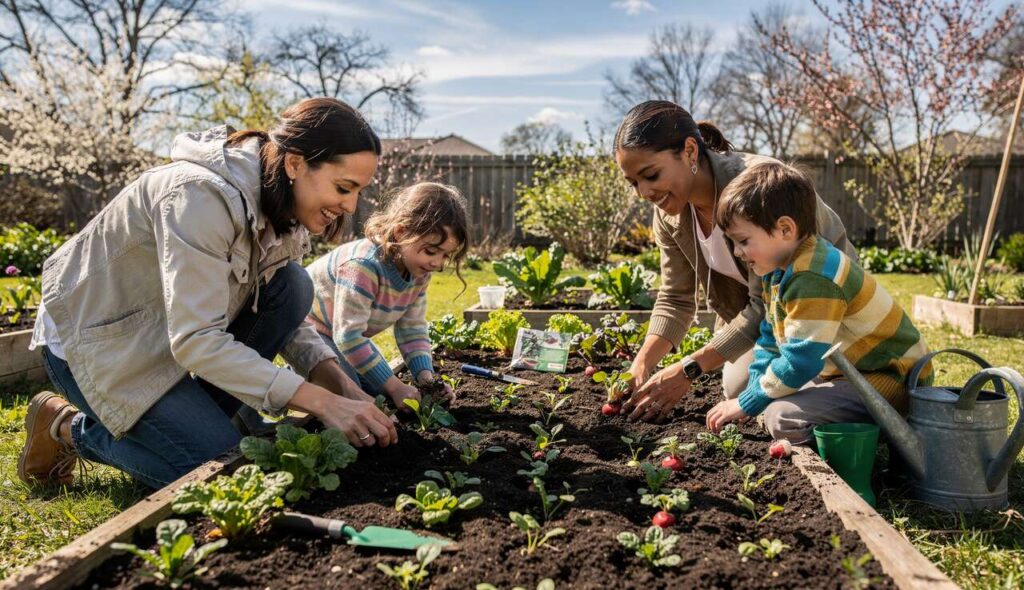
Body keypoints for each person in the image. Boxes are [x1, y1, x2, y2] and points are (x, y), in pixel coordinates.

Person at [18, 97, 398, 490]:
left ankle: (197, 424)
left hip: (168, 336)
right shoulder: (199, 197)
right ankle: (66, 428)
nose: (351, 205)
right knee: (221, 474)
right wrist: (321, 403)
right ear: (295, 163)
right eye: (344, 187)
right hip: (96, 344)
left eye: (358, 191)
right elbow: (197, 339)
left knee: (292, 286)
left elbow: (279, 313)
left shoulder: (280, 201)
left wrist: (342, 386)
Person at [612, 100, 857, 423]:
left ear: (689, 151)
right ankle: (802, 381)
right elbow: (676, 298)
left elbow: (762, 302)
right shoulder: (670, 213)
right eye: (633, 183)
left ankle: (839, 386)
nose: (643, 192)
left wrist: (688, 369)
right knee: (737, 384)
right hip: (773, 319)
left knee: (757, 392)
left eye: (651, 175)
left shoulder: (755, 189)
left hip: (824, 308)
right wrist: (641, 365)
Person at [706, 161, 931, 443]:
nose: (738, 252)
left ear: (785, 229)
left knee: (782, 417)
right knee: (770, 394)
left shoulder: (812, 276)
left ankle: (855, 456)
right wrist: (754, 388)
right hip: (849, 373)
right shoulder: (778, 269)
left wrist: (749, 401)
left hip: (891, 380)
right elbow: (771, 338)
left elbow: (802, 360)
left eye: (742, 241)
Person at [305, 182, 468, 404]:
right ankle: (296, 376)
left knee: (378, 394)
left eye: (445, 256)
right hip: (308, 330)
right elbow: (349, 337)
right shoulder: (363, 266)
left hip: (340, 335)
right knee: (353, 394)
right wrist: (395, 386)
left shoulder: (419, 273)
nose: (438, 263)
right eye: (431, 251)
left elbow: (412, 329)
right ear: (402, 231)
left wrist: (428, 381)